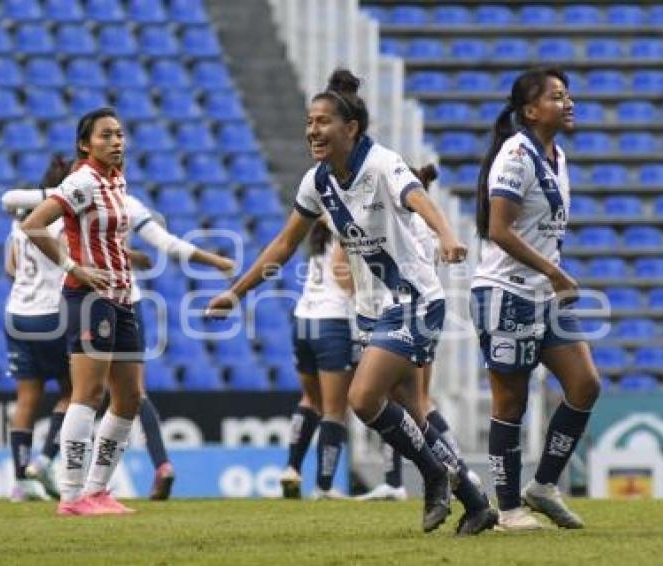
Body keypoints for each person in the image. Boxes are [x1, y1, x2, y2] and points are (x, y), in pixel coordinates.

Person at [207, 69, 496, 535]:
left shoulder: (381, 163)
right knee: (416, 412)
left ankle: (432, 474)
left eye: (322, 122)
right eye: (309, 122)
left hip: (415, 300)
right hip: (372, 312)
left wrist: (446, 235)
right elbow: (283, 245)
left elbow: (417, 195)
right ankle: (476, 502)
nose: (312, 131)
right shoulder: (318, 182)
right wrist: (235, 293)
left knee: (363, 399)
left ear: (350, 129)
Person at [2, 170, 236, 502]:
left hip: (74, 304)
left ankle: (56, 478)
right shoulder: (90, 197)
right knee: (96, 393)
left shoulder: (106, 200)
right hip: (101, 300)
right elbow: (165, 244)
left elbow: (12, 255)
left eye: (118, 137)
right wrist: (214, 261)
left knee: (115, 393)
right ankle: (79, 484)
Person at [470, 67, 600, 531]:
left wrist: (551, 273)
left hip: (544, 294)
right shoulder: (516, 154)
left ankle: (542, 486)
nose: (568, 103)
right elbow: (498, 230)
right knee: (510, 404)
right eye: (557, 97)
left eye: (568, 95)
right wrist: (554, 270)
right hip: (506, 294)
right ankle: (507, 511)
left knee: (585, 384)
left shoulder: (558, 156)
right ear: (530, 111)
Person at [21, 107, 141, 516]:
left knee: (129, 397)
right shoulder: (83, 181)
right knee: (88, 393)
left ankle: (97, 489)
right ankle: (71, 496)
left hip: (123, 299)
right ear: (85, 145)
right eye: (106, 136)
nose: (116, 142)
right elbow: (34, 224)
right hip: (90, 299)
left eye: (120, 135)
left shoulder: (116, 181)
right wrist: (74, 267)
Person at [358, 165, 478, 503]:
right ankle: (455, 478)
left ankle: (445, 472)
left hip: (406, 315)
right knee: (413, 405)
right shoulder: (418, 226)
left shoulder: (405, 228)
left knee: (403, 403)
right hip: (417, 315)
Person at [4, 155, 73, 502]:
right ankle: (44, 461)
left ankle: (21, 482)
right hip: (51, 314)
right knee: (78, 392)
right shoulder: (65, 220)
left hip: (16, 312)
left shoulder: (20, 221)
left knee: (26, 399)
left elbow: (10, 268)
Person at [280, 220, 356, 500]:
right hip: (333, 322)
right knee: (335, 410)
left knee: (311, 400)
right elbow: (341, 270)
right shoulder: (350, 227)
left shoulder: (320, 232)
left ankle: (291, 468)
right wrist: (366, 297)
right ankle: (324, 486)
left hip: (303, 320)